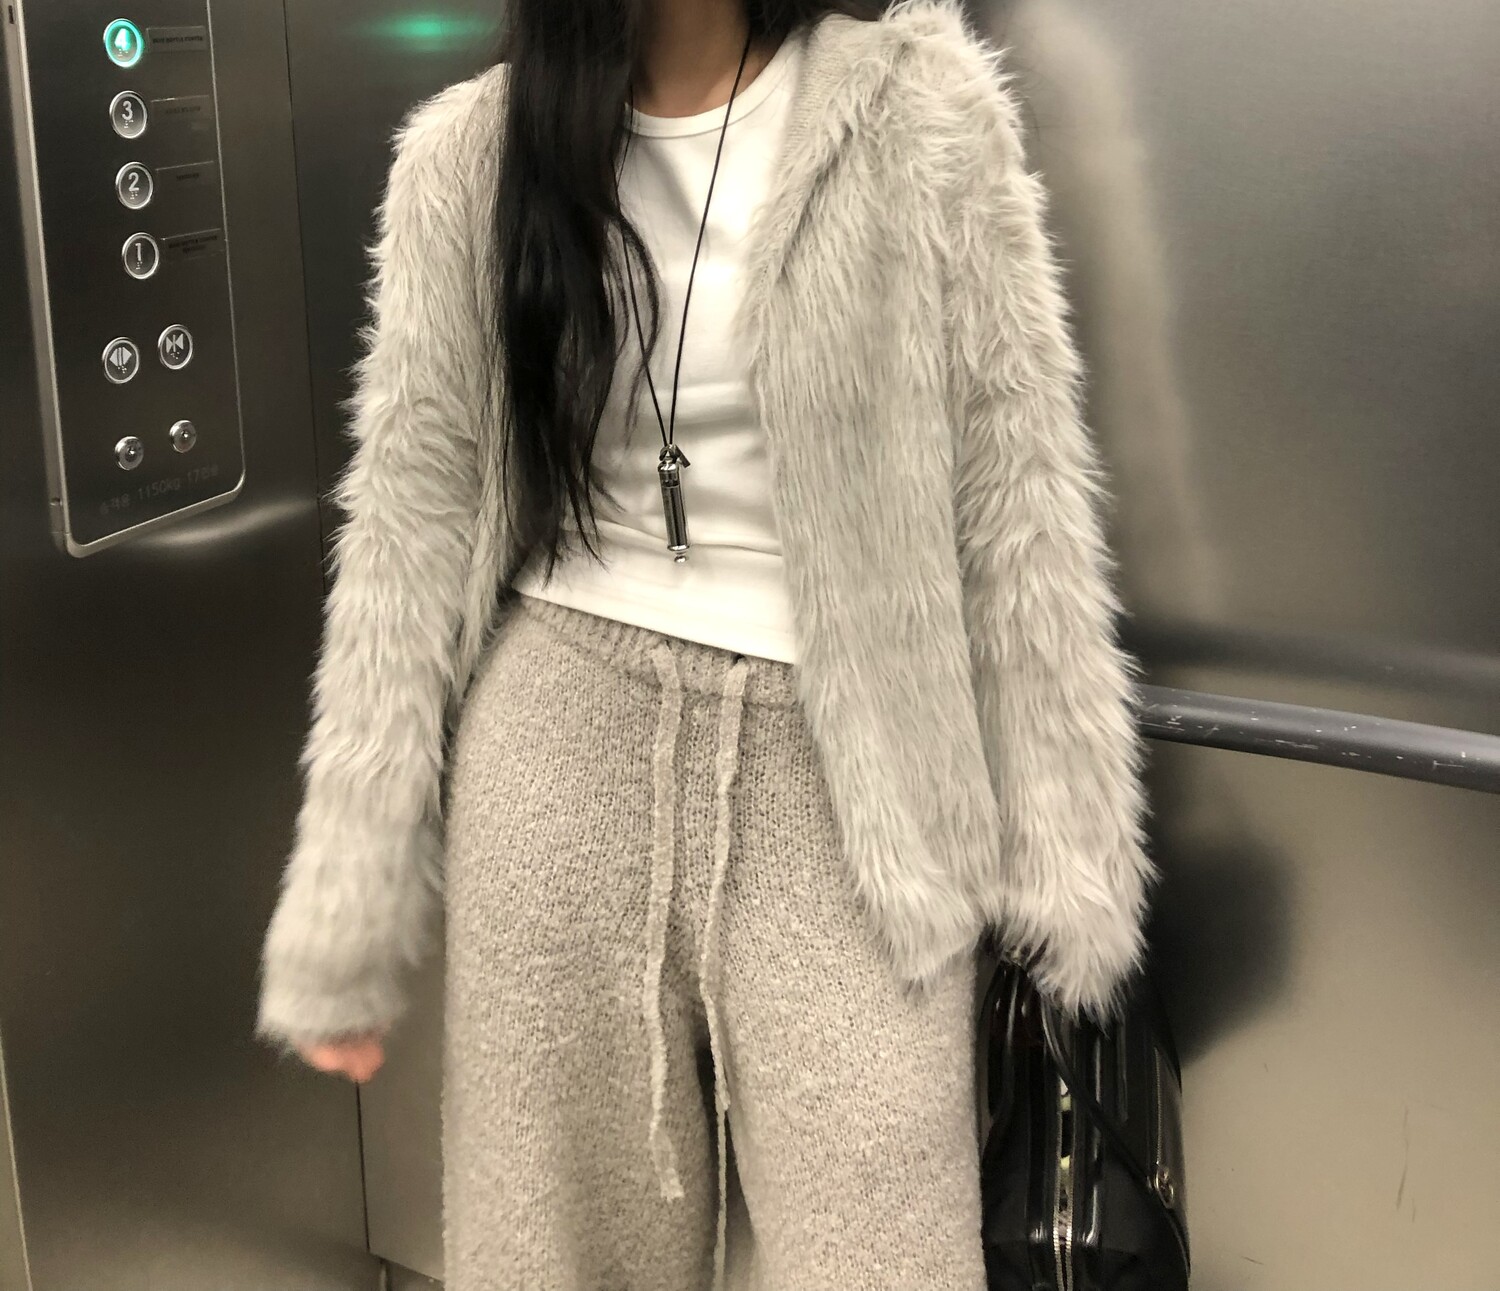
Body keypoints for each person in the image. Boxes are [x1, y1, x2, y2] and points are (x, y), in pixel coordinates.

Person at [253, 0, 1157, 1286]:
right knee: (552, 1256)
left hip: (851, 782)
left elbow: (1018, 494)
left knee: (882, 1251)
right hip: (558, 754)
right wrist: (348, 908)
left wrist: (1065, 851)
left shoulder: (912, 113)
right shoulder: (471, 157)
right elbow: (408, 526)